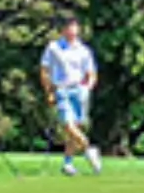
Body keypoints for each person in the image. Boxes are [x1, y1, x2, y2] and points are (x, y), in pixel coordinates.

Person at [39, 19, 102, 176]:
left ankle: (68, 163)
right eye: (69, 28)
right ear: (63, 30)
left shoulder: (83, 50)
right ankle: (89, 149)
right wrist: (49, 92)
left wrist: (88, 88)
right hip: (61, 89)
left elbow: (91, 73)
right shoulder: (54, 48)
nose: (72, 31)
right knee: (68, 125)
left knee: (76, 128)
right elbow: (44, 70)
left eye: (75, 28)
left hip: (79, 90)